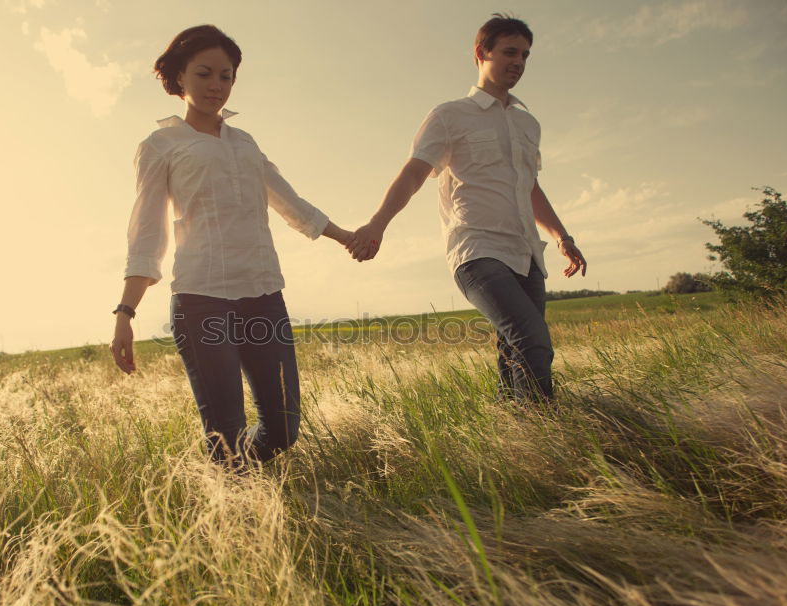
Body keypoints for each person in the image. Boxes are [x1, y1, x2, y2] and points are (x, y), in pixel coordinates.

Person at [110, 25, 354, 470]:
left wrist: (348, 237)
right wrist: (125, 312)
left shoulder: (245, 143)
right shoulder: (161, 145)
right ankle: (236, 516)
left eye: (226, 76)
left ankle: (240, 480)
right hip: (202, 302)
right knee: (226, 436)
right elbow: (146, 232)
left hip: (263, 297)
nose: (216, 86)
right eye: (204, 74)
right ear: (179, 77)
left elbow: (290, 203)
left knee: (283, 429)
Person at [346, 14, 586, 402]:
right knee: (532, 339)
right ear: (481, 53)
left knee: (514, 354)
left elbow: (530, 188)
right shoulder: (449, 116)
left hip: (526, 256)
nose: (519, 63)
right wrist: (377, 224)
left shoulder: (529, 125)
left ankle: (516, 434)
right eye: (509, 52)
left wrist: (562, 236)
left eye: (525, 55)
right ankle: (547, 431)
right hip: (477, 251)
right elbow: (412, 173)